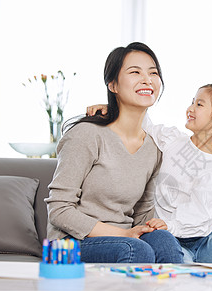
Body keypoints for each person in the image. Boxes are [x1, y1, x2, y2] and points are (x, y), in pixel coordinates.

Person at [87, 83, 212, 264]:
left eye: (199, 104)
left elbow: (198, 218)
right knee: (182, 275)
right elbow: (144, 125)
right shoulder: (173, 140)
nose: (190, 108)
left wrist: (167, 224)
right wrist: (113, 110)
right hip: (170, 240)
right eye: (192, 102)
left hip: (204, 238)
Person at [44, 42, 184, 264]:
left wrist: (155, 225)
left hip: (127, 239)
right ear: (113, 85)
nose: (147, 79)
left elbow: (142, 213)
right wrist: (124, 234)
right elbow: (59, 210)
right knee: (137, 251)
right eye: (135, 72)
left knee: (165, 242)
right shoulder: (87, 135)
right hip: (70, 243)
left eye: (153, 73)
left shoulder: (154, 148)